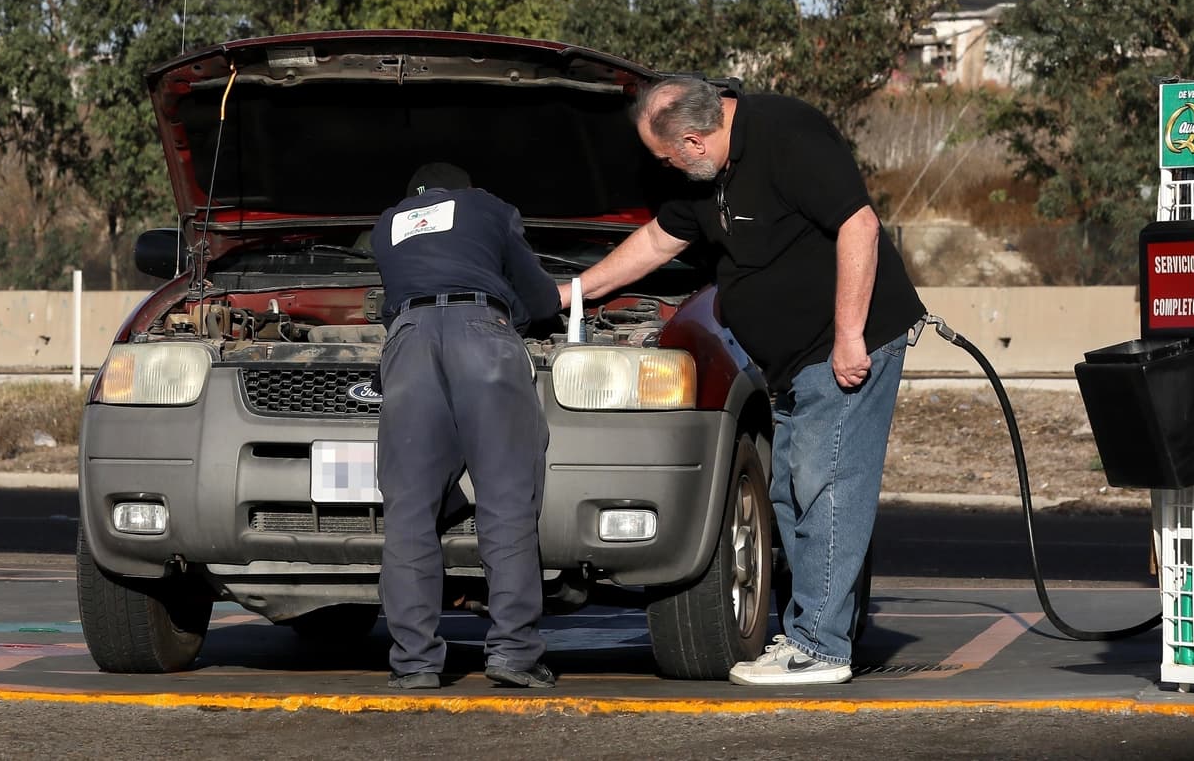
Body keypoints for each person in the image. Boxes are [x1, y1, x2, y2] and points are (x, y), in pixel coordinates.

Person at [559, 79, 925, 686]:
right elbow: (656, 239)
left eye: (666, 156)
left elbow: (859, 225)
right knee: (791, 491)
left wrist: (849, 336)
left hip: (844, 347)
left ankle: (822, 649)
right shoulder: (705, 178)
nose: (664, 167)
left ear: (695, 141)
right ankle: (809, 633)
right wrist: (577, 292)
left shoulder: (788, 133)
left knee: (826, 488)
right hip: (794, 361)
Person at [372, 161, 560, 690]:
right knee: (505, 501)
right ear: (462, 188)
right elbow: (540, 299)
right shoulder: (485, 205)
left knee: (408, 512)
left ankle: (414, 664)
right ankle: (514, 654)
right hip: (482, 336)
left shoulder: (386, 223)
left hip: (407, 343)